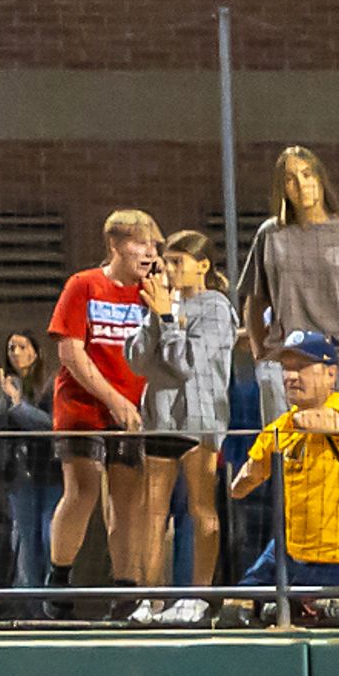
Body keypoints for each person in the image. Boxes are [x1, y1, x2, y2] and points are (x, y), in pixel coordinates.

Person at [45, 205, 163, 604]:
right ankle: (58, 580)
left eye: (153, 245)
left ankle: (125, 591)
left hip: (133, 408)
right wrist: (111, 399)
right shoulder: (84, 285)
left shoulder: (153, 293)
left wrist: (165, 303)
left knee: (128, 499)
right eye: (139, 243)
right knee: (83, 489)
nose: (148, 253)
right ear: (114, 244)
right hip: (84, 408)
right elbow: (71, 351)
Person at [123, 230, 238, 619]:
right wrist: (158, 315)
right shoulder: (161, 304)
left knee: (200, 506)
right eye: (166, 262)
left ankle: (199, 596)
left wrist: (169, 319)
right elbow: (138, 361)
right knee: (152, 512)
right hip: (160, 418)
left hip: (200, 420)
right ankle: (149, 599)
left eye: (178, 262)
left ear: (203, 265)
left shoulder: (217, 308)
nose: (169, 270)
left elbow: (185, 363)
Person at [231, 329, 339, 615]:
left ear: (331, 375)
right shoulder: (280, 427)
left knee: (336, 617)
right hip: (293, 555)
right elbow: (238, 488)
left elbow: (323, 421)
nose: (290, 376)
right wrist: (253, 467)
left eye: (301, 367)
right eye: (286, 368)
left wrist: (279, 433)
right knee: (240, 607)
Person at [237, 146, 339, 410]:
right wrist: (259, 354)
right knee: (284, 449)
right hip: (282, 366)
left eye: (307, 174)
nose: (301, 184)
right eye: (290, 178)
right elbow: (254, 300)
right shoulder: (270, 234)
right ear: (282, 187)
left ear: (320, 178)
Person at [0, 332, 61, 598]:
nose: (16, 353)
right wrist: (5, 401)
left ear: (35, 352)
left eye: (22, 347)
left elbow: (51, 425)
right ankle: (28, 598)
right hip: (19, 474)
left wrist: (19, 407)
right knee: (24, 538)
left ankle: (53, 596)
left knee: (49, 534)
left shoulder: (51, 384)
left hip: (51, 471)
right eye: (11, 348)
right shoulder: (1, 386)